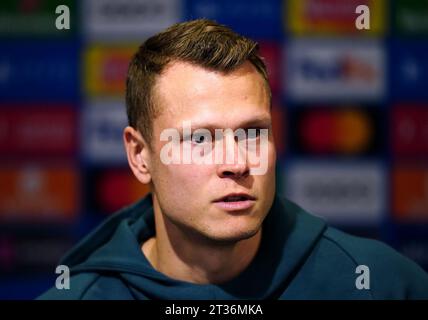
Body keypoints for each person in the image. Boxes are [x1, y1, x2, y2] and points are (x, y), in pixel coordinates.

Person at [39, 19, 428, 300]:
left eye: (253, 133)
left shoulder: (382, 284)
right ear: (140, 156)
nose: (236, 162)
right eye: (200, 139)